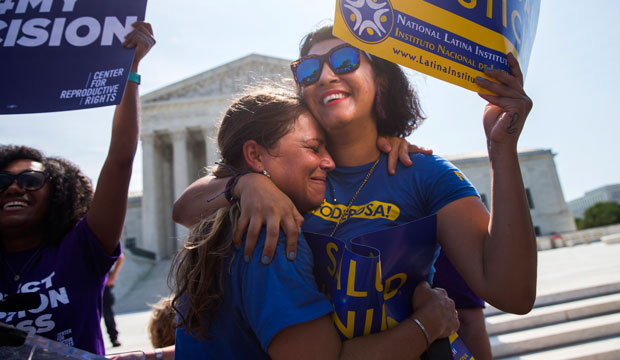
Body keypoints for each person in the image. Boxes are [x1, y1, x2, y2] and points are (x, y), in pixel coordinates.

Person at [173, 24, 537, 359]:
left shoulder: (423, 174)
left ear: (380, 78)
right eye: (309, 70)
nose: (327, 75)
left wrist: (501, 150)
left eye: (345, 59)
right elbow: (186, 209)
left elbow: (513, 293)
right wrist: (245, 183)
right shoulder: (288, 173)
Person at [170, 88, 459, 359]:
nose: (330, 162)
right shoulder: (272, 236)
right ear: (255, 156)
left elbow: (183, 209)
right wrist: (428, 324)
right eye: (313, 148)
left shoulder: (217, 229)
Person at [0, 22, 155, 356]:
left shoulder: (80, 252)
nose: (14, 188)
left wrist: (129, 72)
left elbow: (120, 160)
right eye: (2, 182)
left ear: (57, 194)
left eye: (30, 181)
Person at [103, 253, 125, 347]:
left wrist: (113, 276)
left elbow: (120, 256)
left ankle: (114, 338)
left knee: (108, 314)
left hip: (104, 286)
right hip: (88, 286)